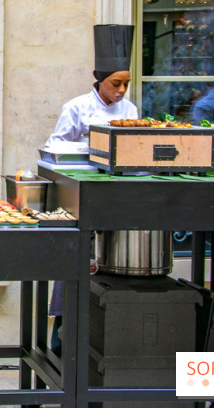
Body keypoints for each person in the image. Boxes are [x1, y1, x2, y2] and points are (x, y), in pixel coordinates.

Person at [43, 24, 138, 355]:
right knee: (76, 261)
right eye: (116, 83)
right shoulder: (77, 107)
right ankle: (60, 341)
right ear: (100, 79)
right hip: (81, 195)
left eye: (126, 83)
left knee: (112, 263)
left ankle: (106, 335)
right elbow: (54, 145)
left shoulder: (131, 111)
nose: (122, 90)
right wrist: (88, 148)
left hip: (116, 195)